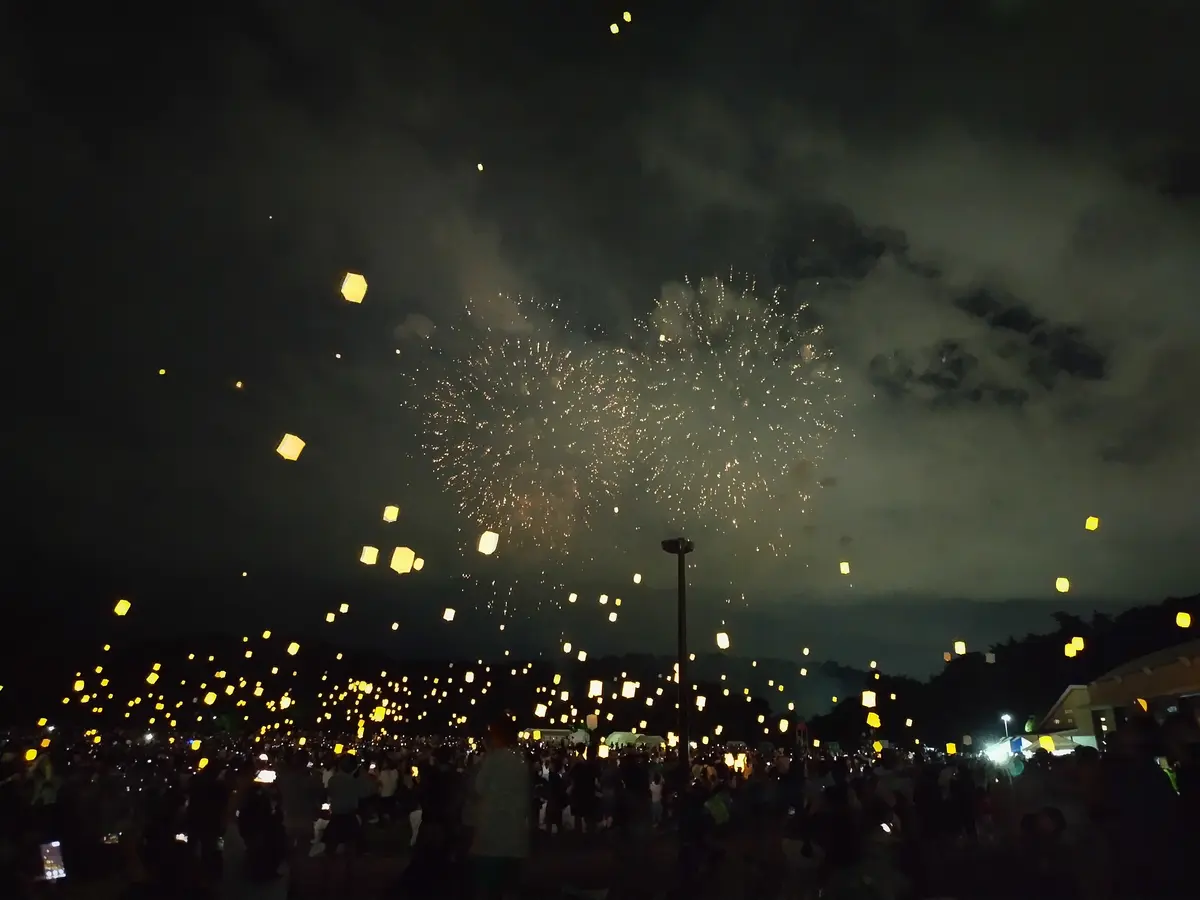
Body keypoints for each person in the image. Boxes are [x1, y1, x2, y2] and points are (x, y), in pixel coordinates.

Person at [467, 715, 530, 900]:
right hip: (515, 834)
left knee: (489, 888)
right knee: (510, 888)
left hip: (492, 834)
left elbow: (478, 788)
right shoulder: (521, 761)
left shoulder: (493, 760)